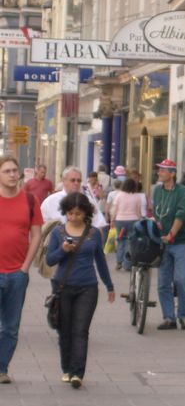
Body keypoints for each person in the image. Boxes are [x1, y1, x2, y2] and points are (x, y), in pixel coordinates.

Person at [45, 192, 115, 389]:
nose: (74, 217)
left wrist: (109, 285)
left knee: (81, 330)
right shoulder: (58, 233)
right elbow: (50, 260)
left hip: (87, 287)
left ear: (86, 213)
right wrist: (63, 250)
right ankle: (66, 369)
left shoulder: (93, 233)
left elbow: (100, 261)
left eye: (78, 213)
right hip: (62, 286)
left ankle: (77, 373)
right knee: (64, 330)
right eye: (70, 213)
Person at [0, 155, 43, 384]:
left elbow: (36, 235)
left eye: (14, 170)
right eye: (6, 171)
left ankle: (1, 368)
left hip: (18, 274)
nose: (12, 174)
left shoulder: (29, 200)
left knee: (10, 326)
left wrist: (25, 267)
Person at [152, 159, 185, 331]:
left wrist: (172, 234)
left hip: (179, 241)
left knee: (181, 280)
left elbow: (182, 213)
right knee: (163, 282)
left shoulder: (181, 191)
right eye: (159, 170)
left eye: (162, 170)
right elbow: (156, 212)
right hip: (162, 242)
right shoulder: (157, 190)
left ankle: (182, 314)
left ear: (172, 173)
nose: (159, 173)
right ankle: (169, 317)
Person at [41, 166, 108, 231]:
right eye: (73, 180)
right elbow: (42, 228)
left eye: (79, 181)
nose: (76, 183)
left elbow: (98, 225)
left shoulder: (88, 202)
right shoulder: (49, 202)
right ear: (64, 181)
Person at [112, 179, 142, 271]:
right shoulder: (137, 196)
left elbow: (115, 209)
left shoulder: (119, 195)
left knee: (121, 241)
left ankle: (119, 262)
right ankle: (127, 264)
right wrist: (139, 220)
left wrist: (112, 220)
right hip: (133, 220)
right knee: (130, 242)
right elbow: (138, 211)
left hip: (120, 220)